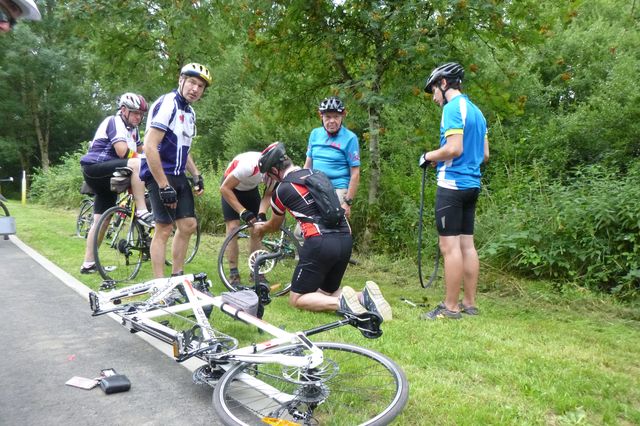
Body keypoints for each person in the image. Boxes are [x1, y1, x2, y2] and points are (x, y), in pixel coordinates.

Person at [253, 142, 392, 320]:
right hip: (345, 238)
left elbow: (274, 225)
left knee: (297, 299)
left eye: (268, 174)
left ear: (274, 170)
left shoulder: (282, 190)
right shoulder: (317, 174)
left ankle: (341, 303)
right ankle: (364, 296)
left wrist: (261, 229)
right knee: (324, 293)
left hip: (320, 241)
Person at [418, 62, 489, 320]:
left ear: (444, 84)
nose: (434, 97)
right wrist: (454, 158)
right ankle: (469, 303)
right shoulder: (477, 111)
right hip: (472, 185)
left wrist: (428, 156)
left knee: (450, 248)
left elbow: (454, 148)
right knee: (467, 245)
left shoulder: (451, 108)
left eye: (434, 90)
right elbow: (484, 155)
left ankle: (450, 307)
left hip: (451, 185)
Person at [140, 62, 210, 278]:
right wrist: (163, 185)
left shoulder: (190, 113)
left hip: (178, 174)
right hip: (159, 172)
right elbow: (149, 146)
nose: (195, 89)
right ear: (181, 80)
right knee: (164, 227)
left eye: (200, 86)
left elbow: (183, 149)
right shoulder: (168, 103)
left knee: (188, 224)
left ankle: (177, 277)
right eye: (192, 82)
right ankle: (159, 284)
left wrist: (196, 175)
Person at [79, 93, 152, 274]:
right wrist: (143, 159)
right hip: (95, 168)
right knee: (137, 163)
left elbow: (144, 150)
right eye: (135, 113)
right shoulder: (115, 122)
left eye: (141, 114)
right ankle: (142, 210)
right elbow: (121, 152)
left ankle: (88, 264)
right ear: (123, 110)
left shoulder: (132, 129)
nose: (138, 117)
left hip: (108, 173)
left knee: (101, 221)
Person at [220, 149, 276, 287]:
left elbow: (268, 195)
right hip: (230, 189)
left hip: (251, 190)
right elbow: (224, 189)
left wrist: (262, 213)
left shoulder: (275, 172)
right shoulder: (249, 166)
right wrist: (243, 211)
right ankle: (233, 273)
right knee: (233, 228)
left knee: (257, 228)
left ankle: (256, 271)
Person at [304, 96, 360, 218]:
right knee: (301, 231)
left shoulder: (350, 138)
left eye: (336, 117)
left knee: (333, 225)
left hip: (338, 188)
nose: (332, 121)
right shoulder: (315, 134)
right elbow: (308, 164)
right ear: (321, 116)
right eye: (328, 117)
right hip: (316, 186)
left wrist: (347, 203)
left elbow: (355, 173)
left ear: (342, 116)